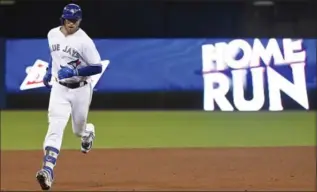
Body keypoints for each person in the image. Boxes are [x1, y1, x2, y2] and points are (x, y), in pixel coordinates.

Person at [35, 3, 102, 190]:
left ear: (79, 20)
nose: (71, 23)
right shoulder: (52, 34)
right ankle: (47, 171)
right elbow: (54, 55)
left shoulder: (84, 41)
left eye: (74, 20)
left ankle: (88, 132)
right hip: (59, 89)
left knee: (78, 130)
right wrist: (50, 70)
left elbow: (97, 66)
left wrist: (74, 69)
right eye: (68, 19)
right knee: (55, 126)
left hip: (80, 89)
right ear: (62, 19)